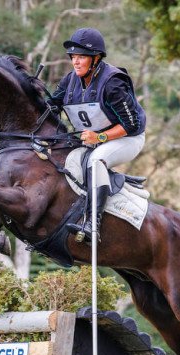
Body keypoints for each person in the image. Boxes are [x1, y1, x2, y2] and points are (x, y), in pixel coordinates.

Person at [50, 27, 146, 242]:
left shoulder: (113, 82)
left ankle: (93, 221)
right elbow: (50, 107)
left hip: (127, 138)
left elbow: (131, 124)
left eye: (81, 57)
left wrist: (100, 138)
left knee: (96, 160)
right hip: (92, 139)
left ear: (96, 58)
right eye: (73, 57)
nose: (75, 62)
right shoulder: (69, 81)